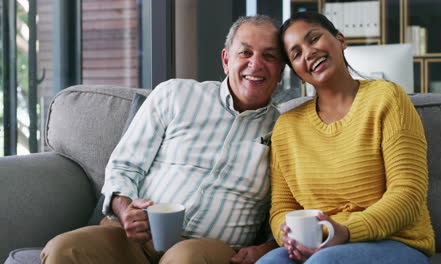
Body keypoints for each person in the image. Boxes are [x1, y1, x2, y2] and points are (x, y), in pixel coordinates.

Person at [41, 14, 285, 264]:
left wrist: (265, 249)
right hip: (133, 237)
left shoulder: (287, 129)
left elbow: (290, 206)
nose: (256, 64)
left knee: (184, 259)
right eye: (245, 53)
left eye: (269, 56)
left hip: (209, 248)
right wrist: (125, 210)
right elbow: (124, 167)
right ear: (226, 60)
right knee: (64, 249)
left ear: (281, 70)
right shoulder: (175, 95)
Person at [257, 12, 435, 264]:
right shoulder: (287, 127)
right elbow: (282, 209)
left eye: (314, 38)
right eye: (296, 54)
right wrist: (289, 236)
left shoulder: (386, 97)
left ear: (340, 40)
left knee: (325, 262)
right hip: (319, 243)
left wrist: (345, 232)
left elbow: (408, 194)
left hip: (396, 242)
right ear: (296, 71)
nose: (308, 53)